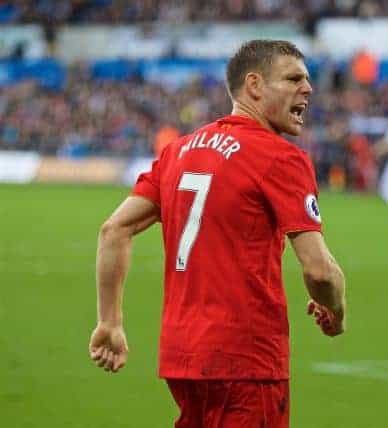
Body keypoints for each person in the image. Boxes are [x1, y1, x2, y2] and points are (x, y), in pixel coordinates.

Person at [88, 40, 347, 427]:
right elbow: (320, 272)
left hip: (183, 358)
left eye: (307, 80)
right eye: (293, 78)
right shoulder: (280, 157)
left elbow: (113, 230)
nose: (307, 89)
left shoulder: (179, 151)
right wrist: (337, 310)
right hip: (246, 361)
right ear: (255, 86)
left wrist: (109, 322)